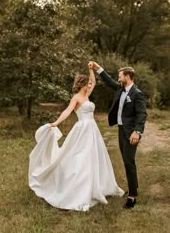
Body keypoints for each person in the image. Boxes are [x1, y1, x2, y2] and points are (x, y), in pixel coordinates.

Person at [28, 62, 124, 211]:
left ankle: (98, 186)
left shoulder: (87, 95)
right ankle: (78, 188)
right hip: (82, 129)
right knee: (80, 157)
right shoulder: (76, 98)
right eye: (88, 83)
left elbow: (93, 81)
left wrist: (91, 69)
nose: (90, 85)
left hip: (92, 129)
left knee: (95, 156)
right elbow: (67, 111)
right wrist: (56, 122)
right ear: (83, 85)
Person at [90, 62, 147, 209]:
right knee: (127, 161)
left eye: (120, 76)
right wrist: (98, 68)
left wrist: (137, 132)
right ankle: (133, 188)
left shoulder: (137, 94)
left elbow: (142, 115)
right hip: (121, 130)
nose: (118, 78)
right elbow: (109, 81)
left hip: (131, 133)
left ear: (127, 77)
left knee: (129, 162)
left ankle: (132, 196)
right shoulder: (121, 89)